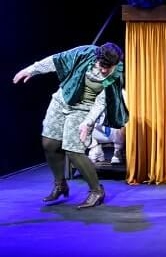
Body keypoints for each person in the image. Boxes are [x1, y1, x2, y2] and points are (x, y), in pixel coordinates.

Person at [12, 42, 128, 209]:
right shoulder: (85, 53)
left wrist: (88, 123)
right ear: (96, 58)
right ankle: (60, 185)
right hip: (62, 100)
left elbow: (101, 102)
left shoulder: (115, 74)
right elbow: (57, 60)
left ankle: (96, 191)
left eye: (108, 67)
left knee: (73, 149)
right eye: (101, 65)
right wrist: (31, 70)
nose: (104, 70)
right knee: (49, 143)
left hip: (84, 108)